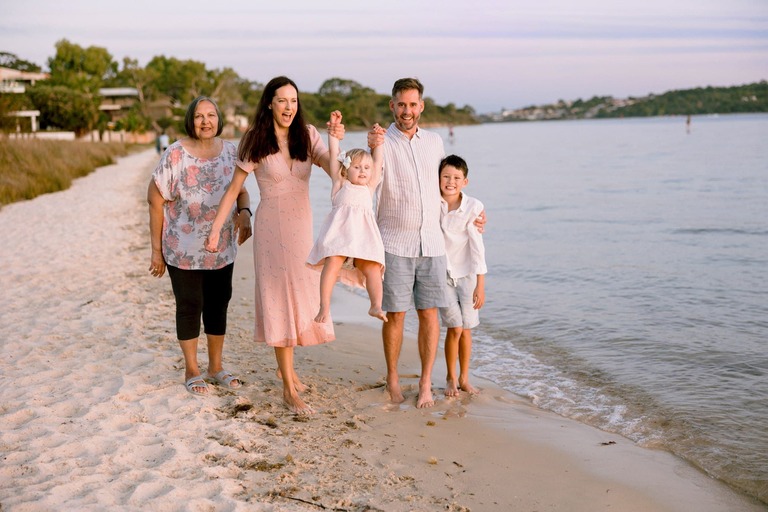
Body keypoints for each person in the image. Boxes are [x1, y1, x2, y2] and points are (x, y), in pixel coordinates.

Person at [205, 76, 344, 415]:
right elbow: (232, 189)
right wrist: (214, 231)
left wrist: (335, 141)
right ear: (269, 103)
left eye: (293, 101)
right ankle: (287, 388)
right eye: (282, 100)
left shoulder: (307, 134)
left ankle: (291, 373)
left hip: (301, 229)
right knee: (281, 301)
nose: (289, 107)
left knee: (300, 298)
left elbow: (335, 172)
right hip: (272, 231)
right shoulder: (255, 139)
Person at [367, 77, 486, 408]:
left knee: (430, 314)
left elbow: (449, 187)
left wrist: (473, 213)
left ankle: (424, 383)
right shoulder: (381, 143)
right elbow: (367, 185)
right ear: (392, 106)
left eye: (413, 104)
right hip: (394, 243)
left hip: (434, 245)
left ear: (421, 106)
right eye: (401, 104)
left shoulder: (434, 142)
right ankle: (392, 380)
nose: (407, 110)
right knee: (396, 316)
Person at [147, 96, 252, 396]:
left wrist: (245, 213)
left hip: (222, 248)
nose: (205, 121)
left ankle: (215, 367)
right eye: (198, 116)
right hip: (182, 249)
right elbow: (154, 199)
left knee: (219, 305)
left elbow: (240, 192)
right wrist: (156, 251)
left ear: (219, 120)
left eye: (211, 115)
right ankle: (192, 368)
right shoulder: (175, 154)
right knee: (190, 306)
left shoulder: (231, 152)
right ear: (190, 120)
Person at [307, 110, 387, 323]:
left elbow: (377, 163)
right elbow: (333, 154)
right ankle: (324, 307)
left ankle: (376, 305)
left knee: (372, 268)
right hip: (340, 236)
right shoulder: (340, 183)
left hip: (363, 237)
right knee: (332, 264)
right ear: (345, 170)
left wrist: (377, 142)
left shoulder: (370, 187)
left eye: (366, 168)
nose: (363, 171)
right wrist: (333, 133)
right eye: (357, 167)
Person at [437, 155, 487, 397]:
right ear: (438, 179)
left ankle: (465, 378)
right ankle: (450, 377)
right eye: (446, 176)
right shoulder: (432, 204)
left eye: (456, 178)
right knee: (454, 327)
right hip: (441, 275)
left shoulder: (473, 207)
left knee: (467, 328)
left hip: (467, 275)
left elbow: (478, 247)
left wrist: (481, 284)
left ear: (465, 181)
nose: (450, 181)